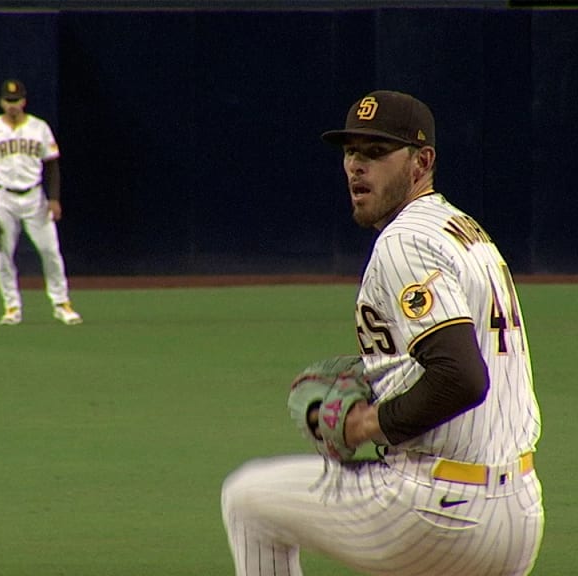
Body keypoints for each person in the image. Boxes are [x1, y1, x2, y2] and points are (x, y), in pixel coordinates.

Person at [220, 90, 543, 575]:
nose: (356, 166)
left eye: (375, 153)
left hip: (438, 510)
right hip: (519, 509)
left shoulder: (405, 240)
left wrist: (365, 423)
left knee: (248, 501)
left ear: (422, 162)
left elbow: (462, 377)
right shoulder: (463, 230)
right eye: (351, 152)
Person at [0, 79, 82, 326]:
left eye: (16, 100)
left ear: (24, 101)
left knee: (50, 250)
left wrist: (53, 199)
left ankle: (61, 303)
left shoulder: (39, 128)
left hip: (34, 196)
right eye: (8, 101)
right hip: (2, 197)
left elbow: (52, 165)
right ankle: (12, 307)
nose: (12, 105)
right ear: (1, 102)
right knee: (3, 254)